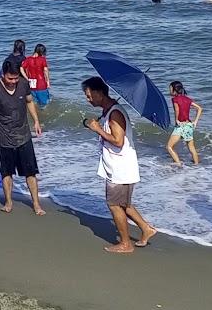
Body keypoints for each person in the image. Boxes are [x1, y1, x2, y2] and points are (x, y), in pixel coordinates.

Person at [83, 75, 156, 252]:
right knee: (123, 203)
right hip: (118, 166)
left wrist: (97, 129)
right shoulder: (109, 111)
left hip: (120, 168)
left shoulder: (115, 113)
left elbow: (118, 141)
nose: (88, 98)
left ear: (99, 92)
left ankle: (125, 244)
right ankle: (146, 229)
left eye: (89, 94)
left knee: (114, 205)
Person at [0, 57, 44, 214]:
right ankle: (9, 202)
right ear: (3, 74)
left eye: (16, 78)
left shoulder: (23, 84)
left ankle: (36, 204)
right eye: (10, 78)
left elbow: (30, 101)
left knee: (30, 172)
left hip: (24, 135)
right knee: (6, 172)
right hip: (4, 137)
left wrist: (36, 121)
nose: (13, 81)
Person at [165, 80, 202, 166]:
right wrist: (195, 121)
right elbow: (200, 108)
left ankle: (178, 164)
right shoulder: (188, 99)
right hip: (189, 125)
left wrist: (177, 120)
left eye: (170, 89)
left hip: (180, 126)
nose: (169, 91)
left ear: (175, 90)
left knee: (169, 147)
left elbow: (177, 110)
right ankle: (197, 166)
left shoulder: (175, 99)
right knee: (192, 148)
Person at [20, 43, 51, 108]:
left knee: (34, 103)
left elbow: (21, 68)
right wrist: (48, 82)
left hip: (31, 84)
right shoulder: (42, 59)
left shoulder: (28, 59)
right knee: (44, 104)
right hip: (41, 84)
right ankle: (44, 116)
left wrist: (26, 77)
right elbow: (45, 70)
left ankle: (36, 114)